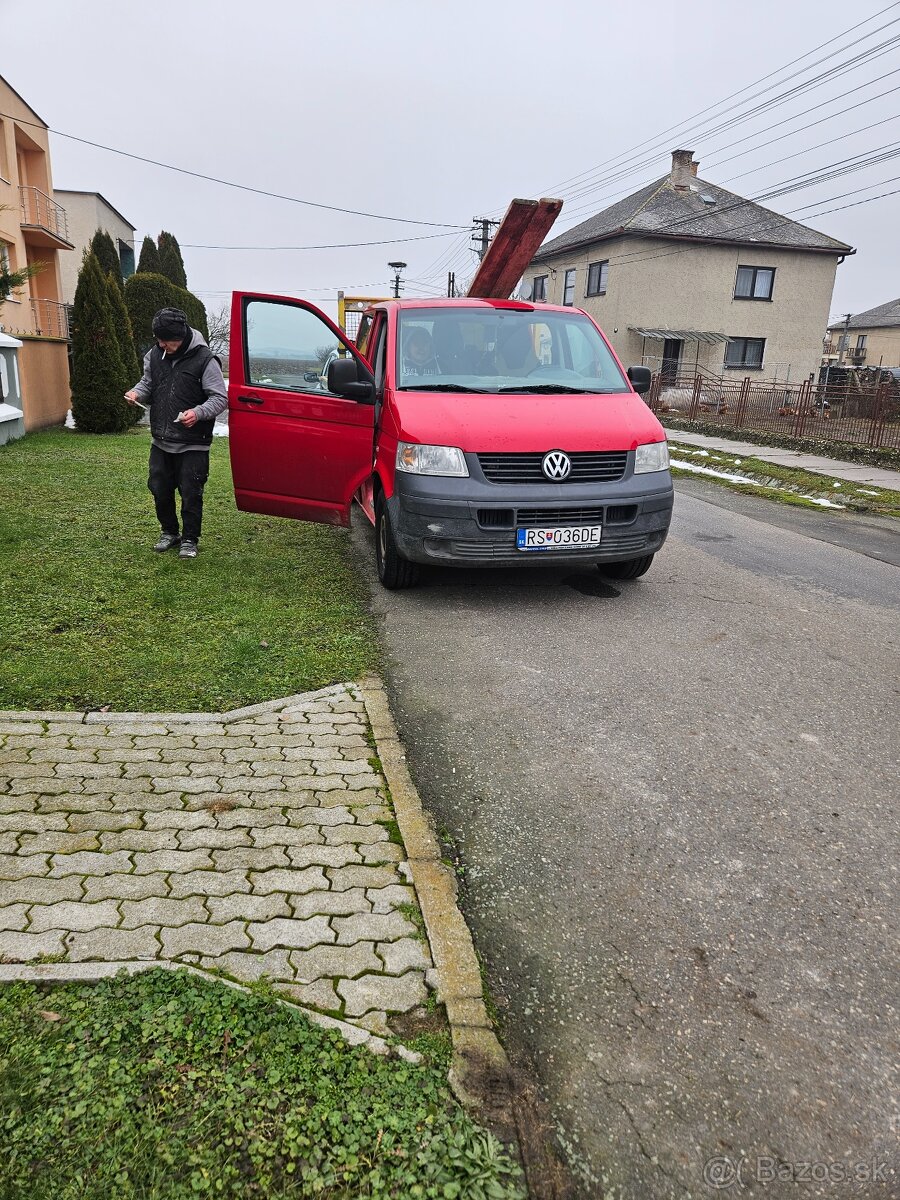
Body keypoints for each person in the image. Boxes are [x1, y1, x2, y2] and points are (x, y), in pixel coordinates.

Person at [125, 308, 227, 559]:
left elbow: (220, 398)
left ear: (179, 337)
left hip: (194, 443)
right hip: (161, 439)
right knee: (159, 487)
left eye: (165, 340)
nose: (160, 344)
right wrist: (136, 392)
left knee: (191, 492)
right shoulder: (155, 354)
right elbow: (147, 382)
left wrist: (198, 413)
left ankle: (190, 539)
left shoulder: (205, 359)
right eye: (158, 339)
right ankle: (169, 532)